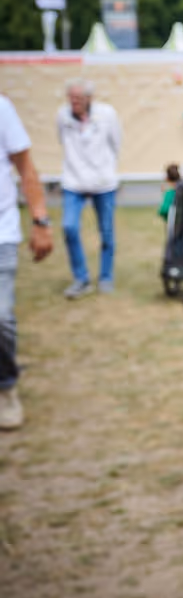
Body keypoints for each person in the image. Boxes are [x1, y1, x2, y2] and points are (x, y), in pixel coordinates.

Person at [0, 94, 53, 430]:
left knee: (1, 317)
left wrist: (40, 220)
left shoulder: (1, 108)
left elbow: (25, 167)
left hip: (1, 230)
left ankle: (5, 387)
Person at [58, 78, 122, 299]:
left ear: (89, 98)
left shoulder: (107, 114)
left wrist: (106, 168)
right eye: (71, 98)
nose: (74, 102)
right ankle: (81, 278)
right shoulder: (62, 116)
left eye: (78, 98)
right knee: (69, 227)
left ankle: (105, 277)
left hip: (103, 182)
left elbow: (116, 143)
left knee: (107, 232)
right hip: (73, 181)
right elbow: (61, 140)